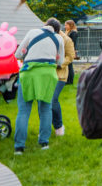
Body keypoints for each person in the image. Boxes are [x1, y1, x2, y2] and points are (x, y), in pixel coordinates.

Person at [13, 17, 64, 154]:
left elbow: (18, 54)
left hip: (29, 74)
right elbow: (60, 61)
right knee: (45, 109)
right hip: (48, 75)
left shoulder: (32, 32)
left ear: (45, 25)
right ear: (57, 30)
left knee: (24, 111)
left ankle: (19, 147)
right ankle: (44, 143)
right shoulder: (59, 39)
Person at [51, 24, 75, 137]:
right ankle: (45, 128)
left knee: (53, 100)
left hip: (60, 75)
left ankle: (59, 126)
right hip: (46, 74)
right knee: (44, 102)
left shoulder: (67, 39)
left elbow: (70, 56)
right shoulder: (47, 37)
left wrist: (59, 64)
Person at [64, 19, 78, 85]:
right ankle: (68, 80)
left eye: (66, 25)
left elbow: (73, 43)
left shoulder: (73, 33)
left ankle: (70, 81)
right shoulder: (69, 32)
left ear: (70, 25)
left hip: (70, 51)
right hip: (68, 50)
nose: (65, 26)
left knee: (69, 66)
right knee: (68, 65)